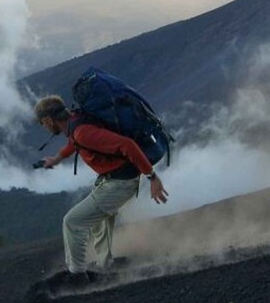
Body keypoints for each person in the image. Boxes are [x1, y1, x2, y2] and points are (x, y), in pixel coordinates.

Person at [34, 95, 169, 287]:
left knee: (73, 222)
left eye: (42, 123)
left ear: (48, 119)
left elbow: (127, 145)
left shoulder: (81, 131)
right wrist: (56, 159)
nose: (44, 127)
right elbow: (75, 142)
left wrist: (153, 177)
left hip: (120, 182)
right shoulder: (75, 122)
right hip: (113, 178)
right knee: (99, 220)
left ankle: (77, 277)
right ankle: (105, 264)